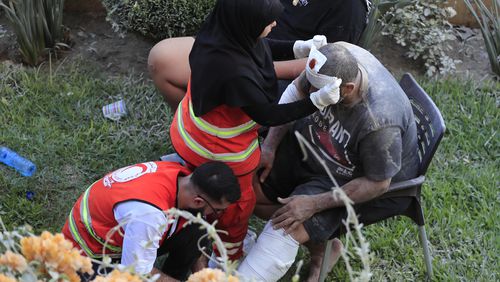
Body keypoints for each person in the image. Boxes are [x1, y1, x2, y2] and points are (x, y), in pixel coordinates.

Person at [168, 0, 341, 263]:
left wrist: (298, 47)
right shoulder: (236, 74)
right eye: (268, 21)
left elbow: (258, 46)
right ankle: (227, 252)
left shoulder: (221, 34)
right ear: (247, 23)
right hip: (217, 145)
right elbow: (268, 115)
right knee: (238, 204)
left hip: (191, 126)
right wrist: (316, 102)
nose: (275, 24)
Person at [237, 42, 419, 282]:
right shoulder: (330, 59)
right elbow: (298, 90)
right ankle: (323, 249)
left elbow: (378, 183)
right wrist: (269, 146)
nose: (312, 92)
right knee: (247, 191)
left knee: (285, 227)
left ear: (348, 88)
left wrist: (313, 203)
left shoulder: (378, 120)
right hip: (315, 147)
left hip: (351, 177)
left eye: (319, 90)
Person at [148, 0, 370, 109]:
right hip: (243, 50)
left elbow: (330, 67)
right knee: (164, 57)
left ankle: (235, 137)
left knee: (165, 59)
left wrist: (256, 68)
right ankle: (200, 128)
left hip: (279, 79)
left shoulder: (349, 8)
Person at [61, 161, 241, 282]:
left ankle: (174, 273)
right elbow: (137, 272)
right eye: (217, 210)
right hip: (86, 254)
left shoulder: (179, 175)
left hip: (118, 233)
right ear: (198, 201)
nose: (217, 215)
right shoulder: (149, 215)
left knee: (197, 226)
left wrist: (202, 275)